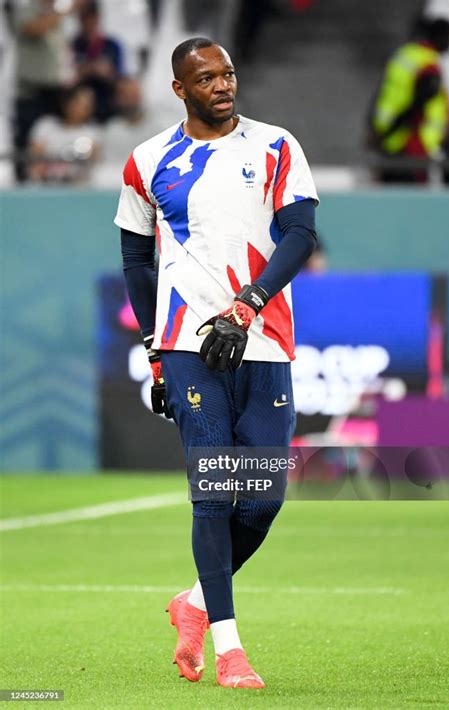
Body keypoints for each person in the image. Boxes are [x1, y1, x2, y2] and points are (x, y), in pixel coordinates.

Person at [114, 37, 318, 689]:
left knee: (262, 501)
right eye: (206, 78)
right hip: (185, 342)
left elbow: (301, 234)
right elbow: (137, 260)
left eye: (228, 73)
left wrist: (249, 302)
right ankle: (230, 650)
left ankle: (193, 603)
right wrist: (154, 350)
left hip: (264, 336)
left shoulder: (277, 145)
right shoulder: (147, 161)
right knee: (213, 494)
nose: (222, 85)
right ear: (180, 89)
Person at [369, 16, 449, 183]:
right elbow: (417, 106)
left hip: (393, 143)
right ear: (439, 37)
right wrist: (389, 132)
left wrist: (379, 132)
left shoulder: (406, 54)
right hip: (412, 145)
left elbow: (383, 92)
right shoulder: (429, 65)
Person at [11, 0, 78, 181]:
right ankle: (24, 182)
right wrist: (63, 12)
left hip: (54, 90)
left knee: (55, 139)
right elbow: (34, 29)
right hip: (31, 92)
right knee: (27, 144)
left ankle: (59, 177)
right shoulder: (26, 10)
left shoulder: (57, 15)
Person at [28, 84, 100, 183]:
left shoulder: (93, 132)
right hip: (46, 185)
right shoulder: (46, 126)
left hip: (80, 187)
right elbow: (35, 162)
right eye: (80, 103)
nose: (86, 108)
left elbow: (93, 162)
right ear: (67, 103)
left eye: (88, 105)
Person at [72, 0, 125, 122]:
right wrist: (81, 72)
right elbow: (66, 78)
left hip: (108, 104)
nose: (89, 23)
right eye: (85, 19)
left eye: (92, 18)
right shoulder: (74, 45)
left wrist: (107, 73)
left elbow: (121, 79)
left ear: (98, 19)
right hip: (80, 106)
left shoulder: (112, 45)